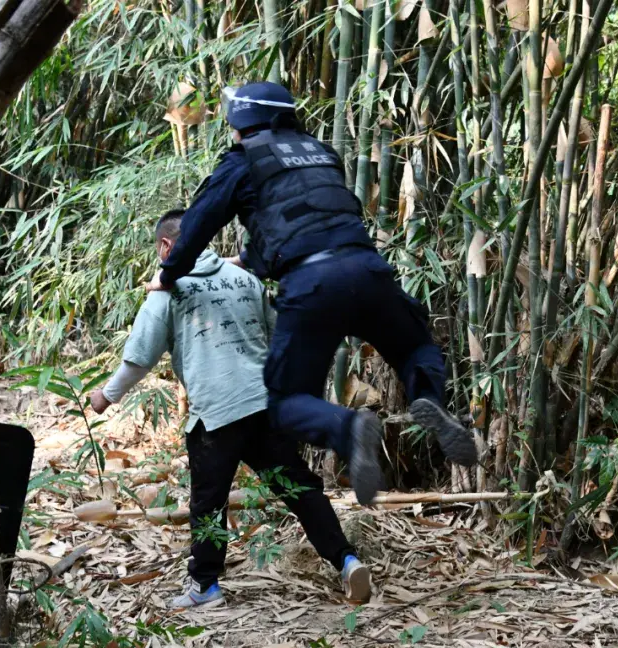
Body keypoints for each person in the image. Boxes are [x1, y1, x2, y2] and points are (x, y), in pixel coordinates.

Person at [145, 82, 478, 506]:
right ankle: (428, 400)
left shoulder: (242, 160)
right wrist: (247, 259)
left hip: (311, 284)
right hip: (368, 269)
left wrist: (170, 273)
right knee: (416, 347)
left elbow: (195, 227)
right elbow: (314, 216)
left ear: (242, 121)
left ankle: (347, 429)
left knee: (285, 403)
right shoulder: (322, 153)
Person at [90, 209, 371, 609]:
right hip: (264, 405)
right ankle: (345, 559)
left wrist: (106, 395)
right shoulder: (244, 278)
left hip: (217, 413)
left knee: (209, 501)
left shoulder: (168, 288)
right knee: (300, 488)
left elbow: (139, 359)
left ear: (167, 247)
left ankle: (205, 585)